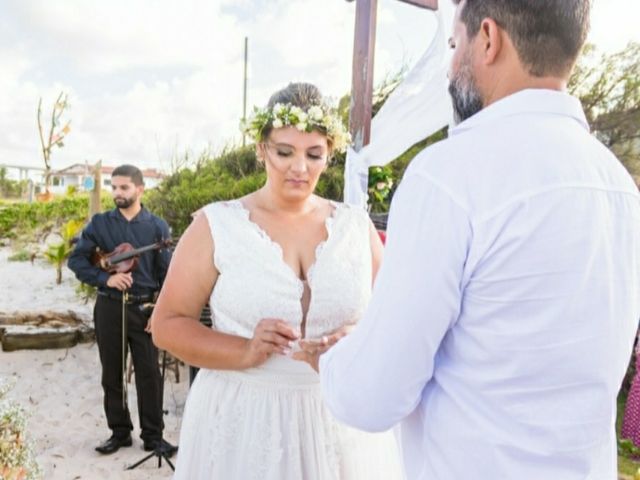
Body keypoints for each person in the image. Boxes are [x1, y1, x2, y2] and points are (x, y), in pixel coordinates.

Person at [314, 1, 640, 479]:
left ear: (488, 39)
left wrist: (337, 358)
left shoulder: (449, 174)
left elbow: (373, 397)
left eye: (453, 44)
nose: (450, 66)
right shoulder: (619, 186)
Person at [150, 83, 403, 479]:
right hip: (246, 421)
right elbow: (166, 326)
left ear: (329, 154)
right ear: (261, 149)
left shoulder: (356, 227)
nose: (299, 168)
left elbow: (394, 317)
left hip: (339, 420)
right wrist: (244, 350)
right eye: (284, 152)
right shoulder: (217, 225)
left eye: (314, 154)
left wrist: (356, 335)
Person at [68, 165, 176, 456]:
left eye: (124, 187)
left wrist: (160, 312)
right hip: (109, 306)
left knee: (149, 373)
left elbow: (167, 275)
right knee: (112, 373)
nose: (117, 192)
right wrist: (106, 278)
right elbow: (76, 261)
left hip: (144, 306)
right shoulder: (100, 224)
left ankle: (153, 437)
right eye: (113, 187)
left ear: (140, 189)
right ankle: (119, 432)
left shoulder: (157, 227)